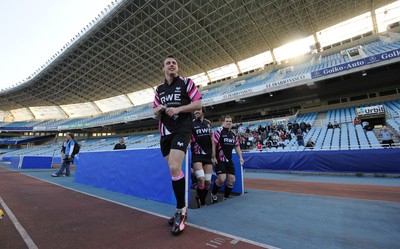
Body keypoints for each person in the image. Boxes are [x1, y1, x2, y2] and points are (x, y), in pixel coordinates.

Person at [153, 55, 202, 235]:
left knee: (174, 166)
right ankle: (180, 207)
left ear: (177, 67)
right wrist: (157, 110)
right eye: (168, 63)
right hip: (165, 134)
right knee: (174, 171)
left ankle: (181, 210)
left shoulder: (187, 83)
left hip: (182, 129)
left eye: (174, 63)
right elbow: (154, 112)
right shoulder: (159, 89)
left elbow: (198, 103)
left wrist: (180, 109)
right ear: (163, 69)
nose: (172, 65)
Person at [211, 116, 244, 204]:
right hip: (220, 159)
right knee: (221, 179)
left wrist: (240, 157)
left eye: (230, 121)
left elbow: (237, 146)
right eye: (227, 121)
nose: (229, 122)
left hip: (229, 160)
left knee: (232, 180)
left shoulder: (233, 134)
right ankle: (213, 194)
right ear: (223, 122)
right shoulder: (218, 131)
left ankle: (225, 198)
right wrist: (213, 157)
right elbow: (213, 144)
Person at [190, 107, 213, 207]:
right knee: (202, 179)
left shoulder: (208, 123)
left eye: (198, 110)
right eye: (195, 110)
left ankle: (200, 198)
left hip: (208, 156)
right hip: (197, 155)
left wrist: (213, 153)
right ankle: (202, 202)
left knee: (208, 182)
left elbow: (211, 138)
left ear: (203, 112)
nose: (196, 112)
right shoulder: (192, 123)